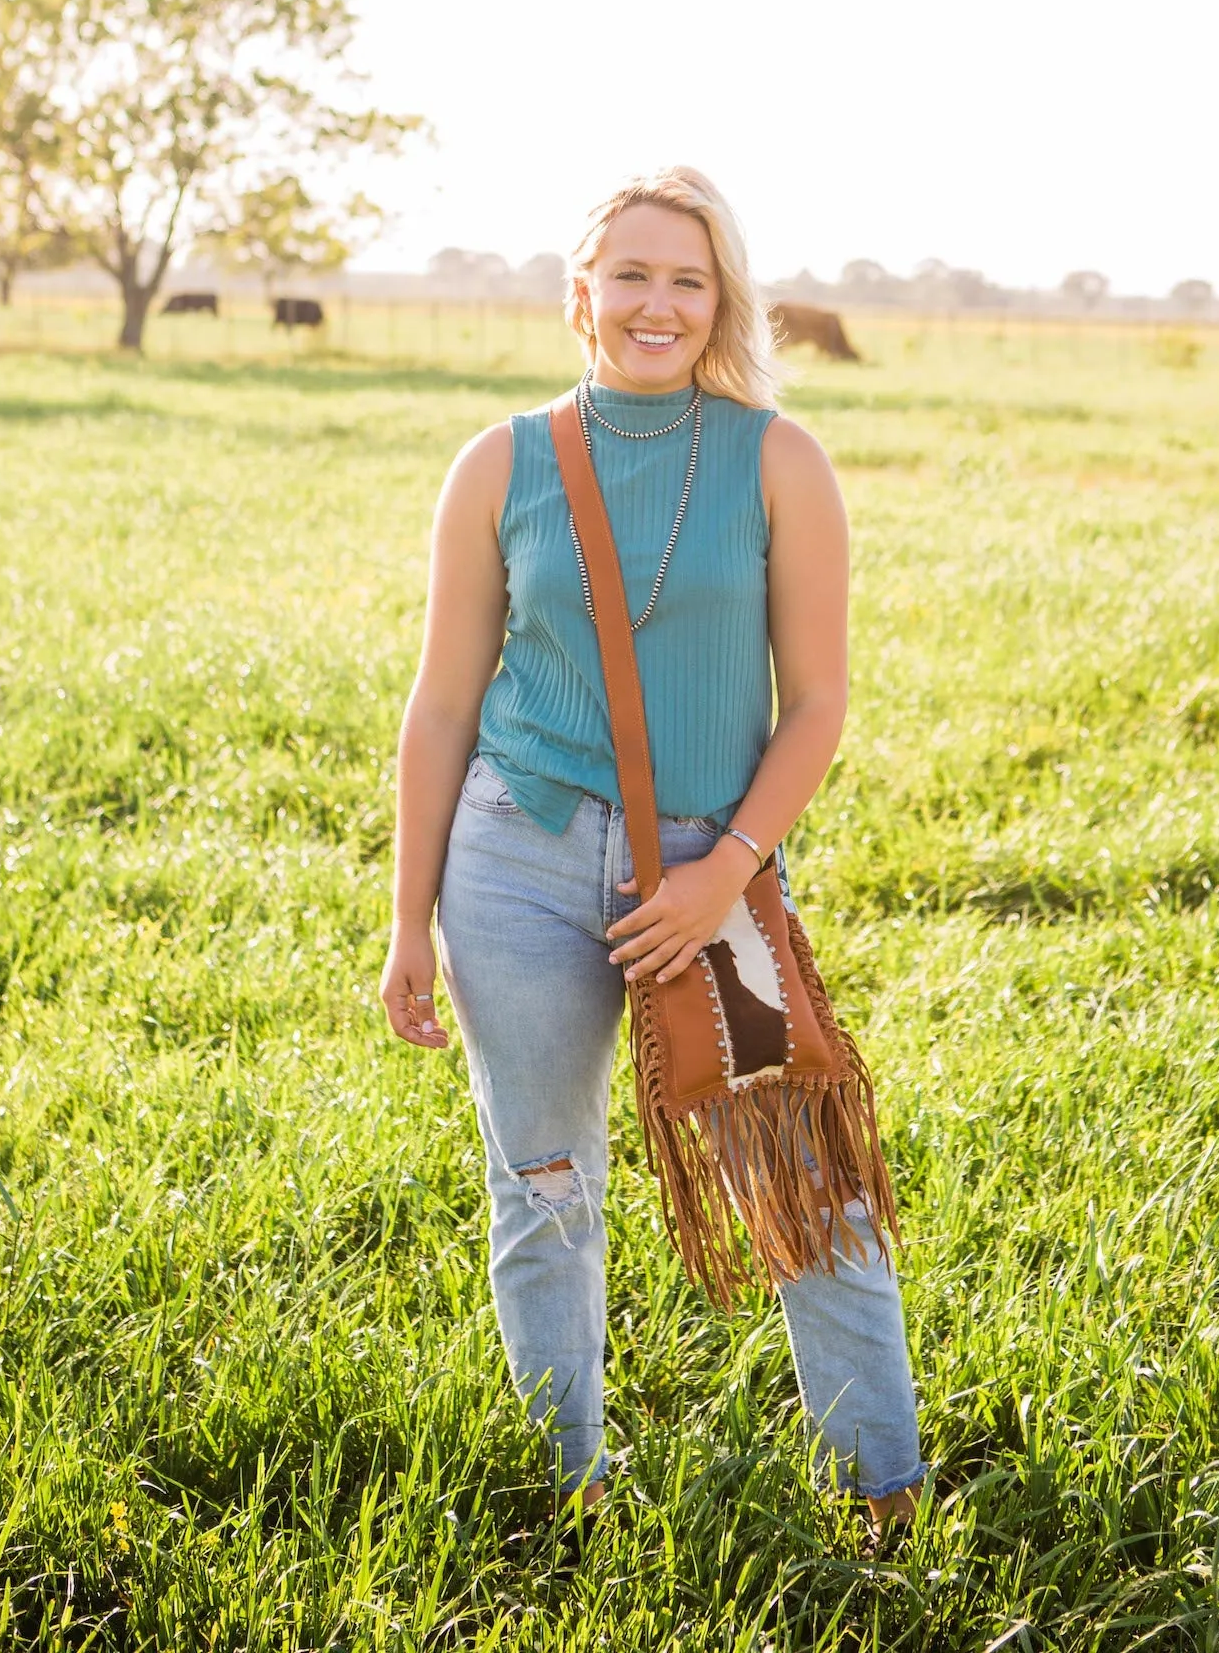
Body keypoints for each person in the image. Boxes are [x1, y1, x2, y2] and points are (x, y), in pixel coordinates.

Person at [380, 166, 924, 1538]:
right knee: (543, 1182)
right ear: (582, 297)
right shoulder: (500, 464)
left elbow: (818, 706)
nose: (657, 304)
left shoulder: (776, 460)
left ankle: (886, 1490)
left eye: (688, 279)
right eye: (630, 275)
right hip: (516, 864)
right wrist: (407, 927)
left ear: (723, 300)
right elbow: (442, 707)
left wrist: (721, 873)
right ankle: (569, 1485)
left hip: (711, 880)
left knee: (803, 1172)